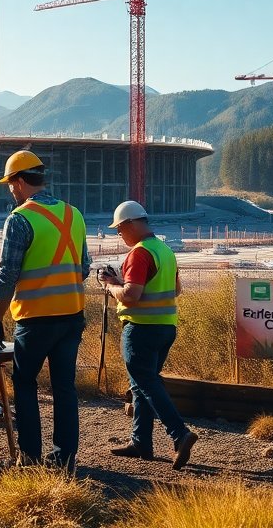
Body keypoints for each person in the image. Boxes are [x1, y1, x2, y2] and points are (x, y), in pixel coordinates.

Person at [0, 150, 91, 472]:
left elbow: (7, 275)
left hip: (36, 319)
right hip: (72, 316)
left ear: (19, 181)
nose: (9, 190)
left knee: (25, 383)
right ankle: (64, 459)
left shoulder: (19, 219)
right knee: (64, 387)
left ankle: (29, 457)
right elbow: (84, 267)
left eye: (10, 183)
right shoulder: (74, 214)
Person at [99, 200, 199, 469]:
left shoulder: (139, 253)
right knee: (141, 385)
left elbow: (131, 296)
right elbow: (175, 290)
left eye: (119, 229)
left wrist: (110, 286)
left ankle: (179, 433)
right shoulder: (164, 251)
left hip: (141, 328)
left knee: (147, 383)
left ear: (131, 224)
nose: (119, 234)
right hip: (165, 327)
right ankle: (140, 442)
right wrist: (121, 282)